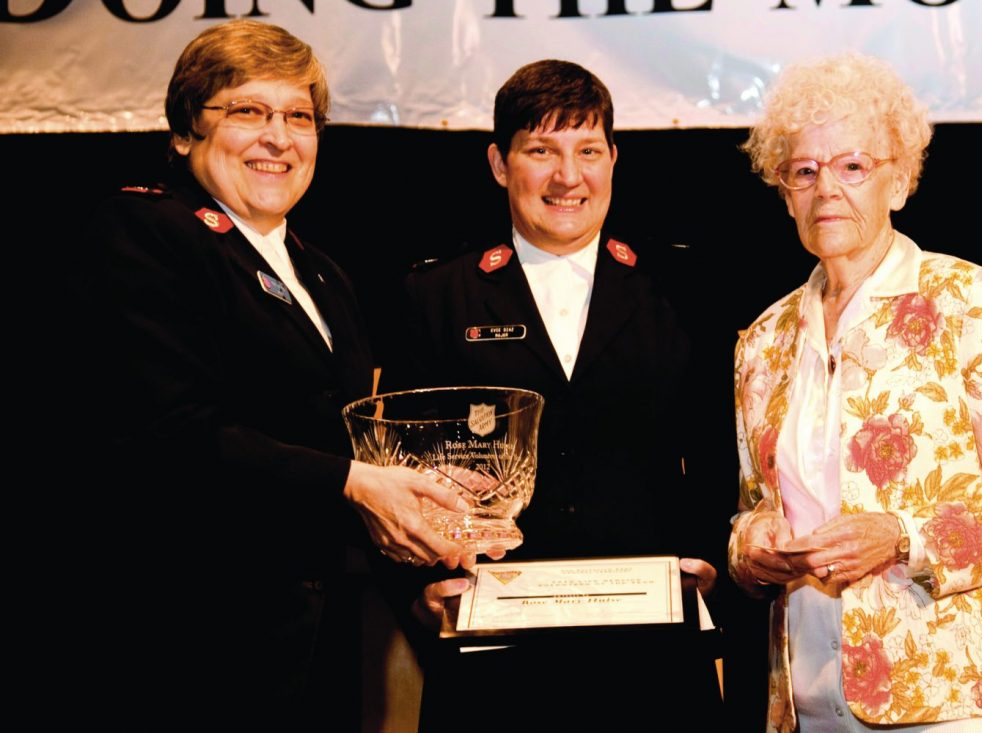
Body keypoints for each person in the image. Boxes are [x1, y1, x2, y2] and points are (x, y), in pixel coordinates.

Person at [85, 20, 476, 731]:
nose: (279, 136)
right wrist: (358, 484)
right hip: (192, 646)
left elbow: (351, 444)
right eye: (247, 110)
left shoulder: (323, 274)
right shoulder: (144, 232)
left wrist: (431, 526)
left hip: (314, 648)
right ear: (184, 133)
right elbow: (168, 432)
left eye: (299, 116)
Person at [727, 52, 982, 732]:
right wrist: (752, 547)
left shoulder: (968, 299)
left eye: (852, 166)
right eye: (804, 170)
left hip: (958, 700)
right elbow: (751, 512)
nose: (826, 188)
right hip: (808, 705)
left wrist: (902, 537)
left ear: (899, 180)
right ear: (783, 190)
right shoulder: (763, 340)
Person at [381, 59, 729, 730]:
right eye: (541, 150)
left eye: (588, 151)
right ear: (499, 163)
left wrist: (713, 561)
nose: (568, 176)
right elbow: (395, 474)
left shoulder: (680, 288)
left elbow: (721, 451)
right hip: (494, 659)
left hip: (653, 655)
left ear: (613, 159)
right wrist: (421, 593)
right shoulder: (433, 296)